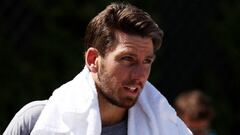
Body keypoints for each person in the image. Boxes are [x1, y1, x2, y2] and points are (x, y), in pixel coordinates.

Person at [4, 2, 192, 135]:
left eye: (147, 61)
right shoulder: (38, 121)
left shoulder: (167, 127)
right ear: (93, 59)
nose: (139, 75)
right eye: (127, 59)